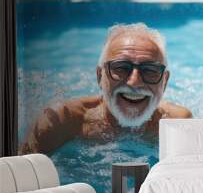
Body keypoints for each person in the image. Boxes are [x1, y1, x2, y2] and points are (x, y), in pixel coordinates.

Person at [20, 23, 192, 154]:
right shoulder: (64, 122)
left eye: (150, 70)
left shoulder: (177, 124)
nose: (134, 82)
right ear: (99, 76)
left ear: (165, 81)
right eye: (121, 68)